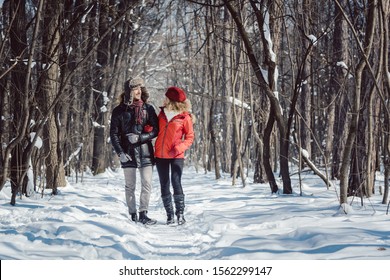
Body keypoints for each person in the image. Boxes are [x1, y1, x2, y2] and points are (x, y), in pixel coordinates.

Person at [110, 77, 159, 225]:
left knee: (146, 184)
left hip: (145, 152)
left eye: (140, 88)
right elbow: (113, 134)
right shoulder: (118, 111)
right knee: (130, 186)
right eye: (135, 88)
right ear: (128, 91)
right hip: (128, 153)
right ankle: (132, 214)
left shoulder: (148, 109)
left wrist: (140, 137)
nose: (138, 91)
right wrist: (120, 153)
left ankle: (143, 213)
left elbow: (156, 130)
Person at [155, 86, 195, 225]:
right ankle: (169, 215)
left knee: (176, 182)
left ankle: (180, 214)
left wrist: (179, 147)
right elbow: (156, 130)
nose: (164, 99)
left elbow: (190, 137)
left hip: (177, 155)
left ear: (171, 100)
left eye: (166, 97)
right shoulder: (161, 114)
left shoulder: (184, 117)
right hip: (160, 155)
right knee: (164, 184)